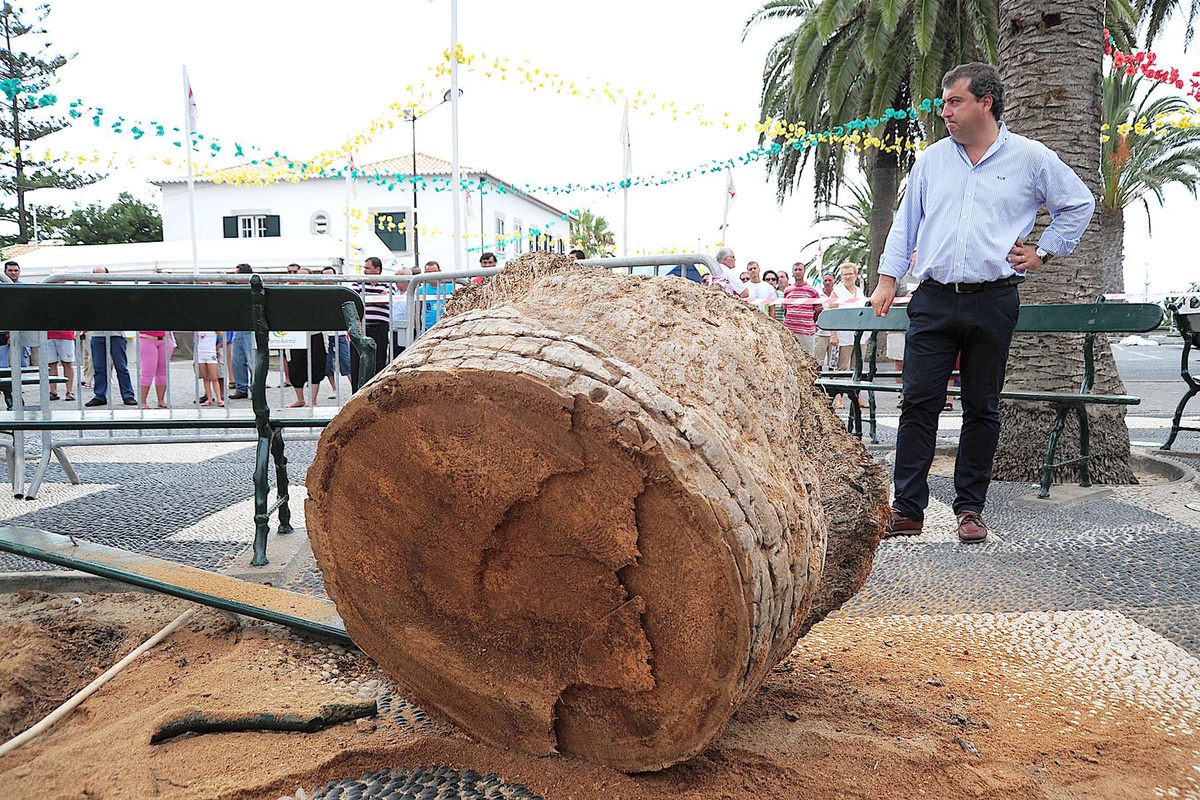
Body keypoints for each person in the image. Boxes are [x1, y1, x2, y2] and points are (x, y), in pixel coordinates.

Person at [870, 62, 1094, 543]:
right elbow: (906, 222)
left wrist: (1044, 249)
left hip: (993, 299)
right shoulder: (931, 160)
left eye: (954, 101)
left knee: (982, 407)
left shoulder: (1032, 158)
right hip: (932, 300)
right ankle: (907, 508)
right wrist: (888, 278)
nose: (945, 111)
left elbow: (1078, 203)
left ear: (985, 103)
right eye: (944, 102)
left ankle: (970, 509)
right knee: (918, 403)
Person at [85, 267, 137, 407]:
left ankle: (127, 395)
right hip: (97, 334)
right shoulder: (89, 293)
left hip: (116, 334)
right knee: (99, 367)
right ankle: (100, 395)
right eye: (96, 275)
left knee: (121, 366)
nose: (99, 278)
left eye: (101, 275)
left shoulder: (116, 292)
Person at [350, 256, 398, 391]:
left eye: (367, 268)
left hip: (379, 327)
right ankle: (355, 394)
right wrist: (375, 299)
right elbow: (354, 300)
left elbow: (386, 299)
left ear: (377, 269)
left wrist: (365, 299)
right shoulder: (358, 283)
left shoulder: (388, 283)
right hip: (359, 328)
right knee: (356, 363)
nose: (364, 271)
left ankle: (376, 393)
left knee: (378, 361)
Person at [287, 268, 328, 407]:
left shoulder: (316, 293)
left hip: (315, 334)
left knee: (316, 365)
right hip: (296, 334)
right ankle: (300, 399)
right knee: (295, 366)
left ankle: (313, 400)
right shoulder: (290, 293)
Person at [320, 266, 352, 397]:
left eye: (330, 276)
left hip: (340, 333)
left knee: (346, 361)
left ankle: (354, 388)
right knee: (327, 364)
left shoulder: (341, 292)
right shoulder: (320, 293)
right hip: (326, 334)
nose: (328, 280)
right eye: (325, 277)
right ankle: (334, 389)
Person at [228, 263, 255, 400]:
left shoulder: (253, 289)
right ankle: (241, 387)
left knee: (252, 360)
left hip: (250, 329)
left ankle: (255, 389)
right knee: (237, 360)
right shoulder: (235, 289)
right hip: (238, 328)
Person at [783, 262, 822, 355]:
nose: (798, 272)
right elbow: (785, 309)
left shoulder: (812, 291)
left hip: (806, 332)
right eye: (795, 270)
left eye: (800, 269)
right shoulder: (788, 290)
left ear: (804, 272)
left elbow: (819, 309)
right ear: (792, 272)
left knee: (808, 359)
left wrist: (810, 321)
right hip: (790, 331)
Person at [138, 328, 172, 410]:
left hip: (165, 339)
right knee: (148, 371)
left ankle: (161, 400)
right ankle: (142, 401)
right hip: (147, 338)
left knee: (163, 371)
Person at [813, 271, 837, 368]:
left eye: (830, 280)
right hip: (820, 333)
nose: (827, 282)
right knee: (817, 362)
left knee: (833, 364)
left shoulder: (838, 294)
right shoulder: (817, 294)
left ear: (834, 281)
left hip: (835, 334)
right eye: (825, 280)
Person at [196, 329, 225, 407]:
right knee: (205, 377)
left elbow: (224, 338)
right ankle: (209, 398)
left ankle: (219, 398)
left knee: (214, 377)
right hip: (201, 353)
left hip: (210, 353)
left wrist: (217, 347)